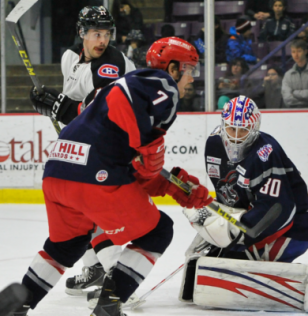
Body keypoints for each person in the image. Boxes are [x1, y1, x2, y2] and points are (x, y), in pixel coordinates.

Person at [11, 36, 213, 316]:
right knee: (157, 232)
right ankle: (109, 305)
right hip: (94, 174)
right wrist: (159, 168)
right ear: (173, 68)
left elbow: (134, 165)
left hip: (58, 169)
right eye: (190, 70)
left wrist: (174, 186)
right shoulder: (161, 84)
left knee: (65, 246)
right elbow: (145, 157)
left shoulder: (121, 85)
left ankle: (17, 306)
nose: (192, 78)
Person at [178, 96, 308, 313]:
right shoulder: (214, 143)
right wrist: (213, 218)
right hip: (252, 221)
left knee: (228, 271)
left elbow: (279, 210)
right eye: (231, 128)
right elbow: (229, 195)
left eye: (242, 130)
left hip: (292, 229)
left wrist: (236, 233)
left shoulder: (265, 153)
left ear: (254, 129)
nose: (235, 137)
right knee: (206, 263)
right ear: (222, 124)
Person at [29, 5, 136, 300]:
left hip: (125, 141)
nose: (102, 40)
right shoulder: (69, 58)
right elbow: (74, 105)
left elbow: (104, 114)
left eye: (106, 34)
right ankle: (97, 267)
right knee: (81, 207)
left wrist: (64, 109)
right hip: (96, 142)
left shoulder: (109, 66)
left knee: (91, 205)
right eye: (95, 33)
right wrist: (49, 102)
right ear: (82, 34)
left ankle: (120, 279)